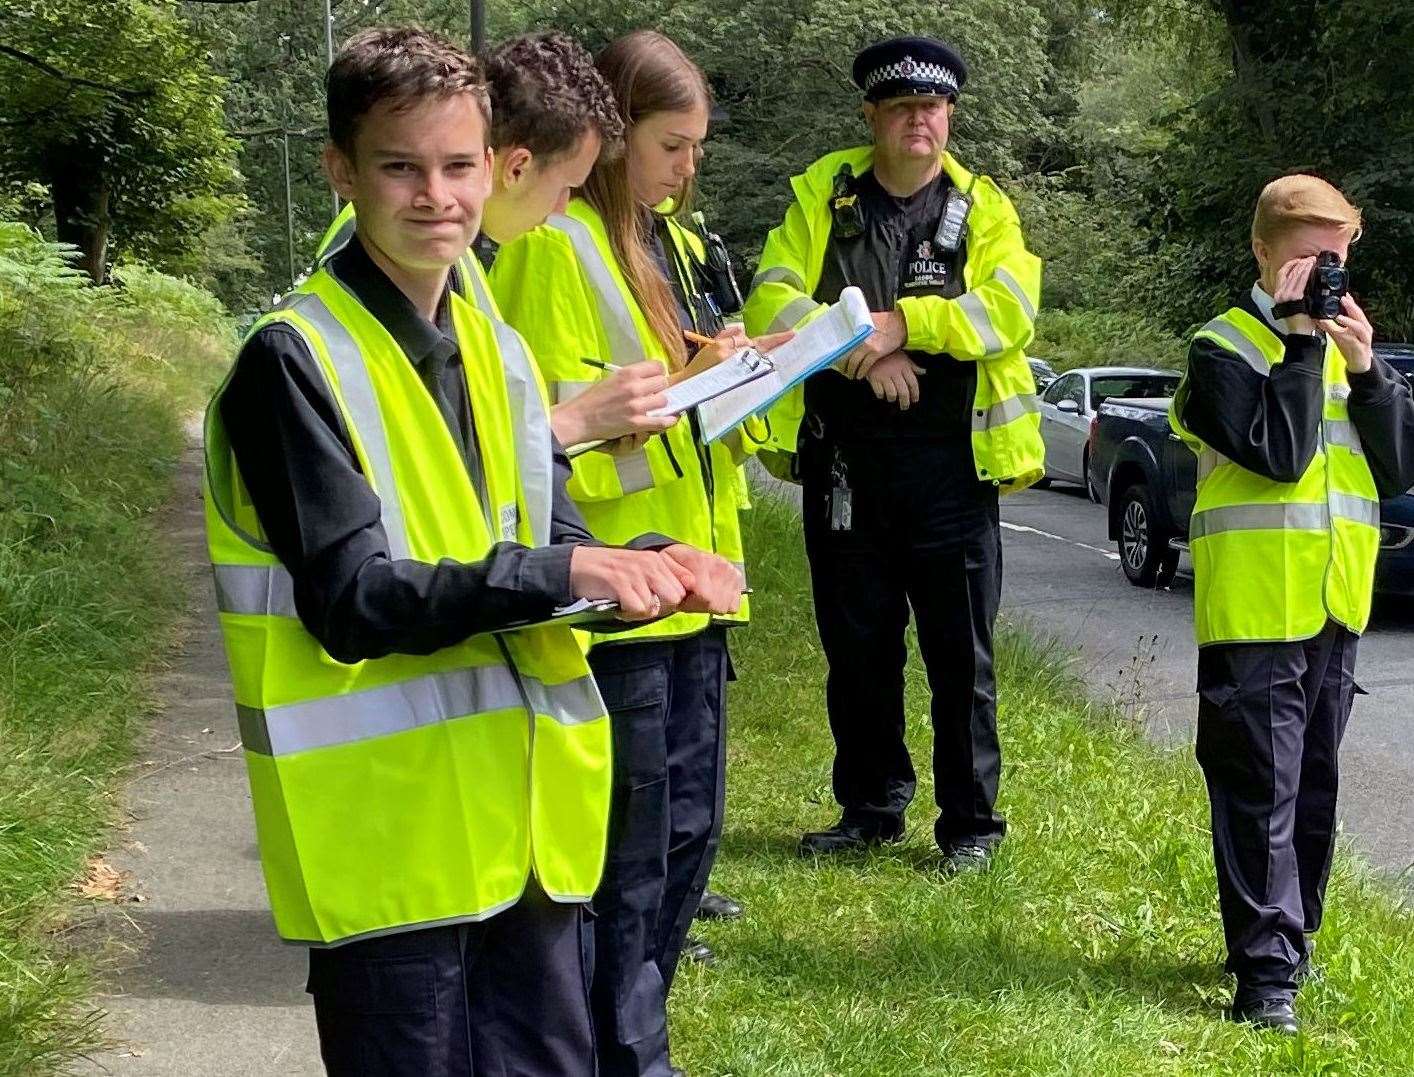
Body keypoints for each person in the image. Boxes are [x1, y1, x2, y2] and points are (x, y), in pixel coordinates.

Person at [205, 27, 738, 1074]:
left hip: (524, 841)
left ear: (492, 161)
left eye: (458, 166)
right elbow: (353, 600)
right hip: (391, 853)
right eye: (400, 167)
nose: (437, 195)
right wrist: (564, 572)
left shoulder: (491, 343)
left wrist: (650, 566)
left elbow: (541, 526)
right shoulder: (292, 360)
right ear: (341, 172)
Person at [312, 28, 748, 939]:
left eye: (453, 169)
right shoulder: (398, 291)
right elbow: (418, 504)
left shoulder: (470, 279)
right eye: (556, 189)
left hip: (501, 637)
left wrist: (639, 550)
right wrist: (578, 459)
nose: (555, 212)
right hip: (426, 693)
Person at [490, 29, 780, 1077]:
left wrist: (731, 381)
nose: (687, 168)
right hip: (613, 603)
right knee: (628, 865)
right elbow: (518, 446)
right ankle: (623, 1054)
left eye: (698, 146)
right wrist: (603, 423)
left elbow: (694, 434)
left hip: (689, 590)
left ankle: (632, 1043)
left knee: (682, 846)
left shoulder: (667, 250)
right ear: (609, 139)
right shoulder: (546, 247)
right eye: (670, 144)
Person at [742, 36, 1044, 872]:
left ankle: (971, 825)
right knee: (859, 646)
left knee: (961, 654)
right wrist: (864, 351)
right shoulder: (822, 195)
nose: (922, 121)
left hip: (951, 466)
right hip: (846, 463)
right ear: (871, 115)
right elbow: (773, 297)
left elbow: (1008, 309)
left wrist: (907, 322)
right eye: (904, 107)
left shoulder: (983, 207)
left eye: (935, 108)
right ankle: (871, 806)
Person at [1170, 174, 1414, 1034]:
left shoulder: (1350, 354)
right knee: (1257, 789)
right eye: (1306, 252)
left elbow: (1399, 470)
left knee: (1312, 788)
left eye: (1336, 254)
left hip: (1333, 607)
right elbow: (1277, 453)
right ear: (1264, 251)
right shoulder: (1224, 346)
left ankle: (1292, 942)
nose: (1322, 270)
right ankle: (1264, 973)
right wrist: (1302, 342)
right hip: (1253, 609)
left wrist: (1369, 369)